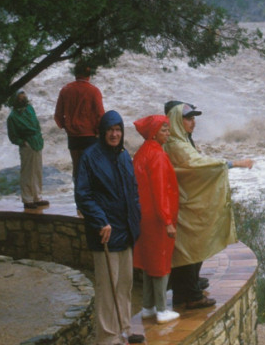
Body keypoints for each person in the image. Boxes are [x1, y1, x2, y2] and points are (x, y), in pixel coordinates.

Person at [163, 100, 254, 309]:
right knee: (189, 250)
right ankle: (192, 296)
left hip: (185, 203)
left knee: (190, 249)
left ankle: (184, 293)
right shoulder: (177, 145)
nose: (193, 122)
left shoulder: (180, 142)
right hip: (184, 206)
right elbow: (199, 166)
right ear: (177, 120)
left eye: (194, 118)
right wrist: (233, 163)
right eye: (188, 118)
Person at [75, 110, 144, 345]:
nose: (114, 134)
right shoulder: (90, 157)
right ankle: (107, 337)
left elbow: (132, 190)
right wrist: (99, 221)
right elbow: (83, 195)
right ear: (102, 132)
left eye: (118, 130)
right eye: (110, 130)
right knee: (107, 288)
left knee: (125, 285)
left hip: (125, 231)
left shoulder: (123, 155)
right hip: (105, 232)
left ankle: (124, 329)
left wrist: (136, 219)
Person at [132, 115, 180, 324]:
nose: (168, 133)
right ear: (153, 132)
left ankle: (147, 307)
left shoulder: (141, 153)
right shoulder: (158, 156)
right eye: (164, 130)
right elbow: (160, 191)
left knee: (149, 261)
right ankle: (161, 310)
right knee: (161, 261)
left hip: (144, 216)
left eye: (167, 129)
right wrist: (167, 220)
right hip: (158, 219)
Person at [54, 61, 105, 180]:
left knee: (77, 168)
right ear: (89, 75)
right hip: (90, 136)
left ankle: (79, 196)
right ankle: (90, 197)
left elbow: (58, 115)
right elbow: (100, 115)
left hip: (73, 136)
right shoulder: (94, 91)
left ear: (75, 74)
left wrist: (65, 127)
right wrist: (98, 132)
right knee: (91, 169)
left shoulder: (65, 89)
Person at [6, 89, 49, 210]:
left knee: (37, 171)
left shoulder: (30, 109)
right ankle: (27, 199)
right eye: (20, 98)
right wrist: (23, 143)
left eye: (23, 97)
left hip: (37, 141)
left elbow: (36, 124)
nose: (22, 99)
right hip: (27, 144)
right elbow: (13, 136)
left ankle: (37, 197)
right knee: (27, 172)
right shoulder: (12, 117)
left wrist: (39, 137)